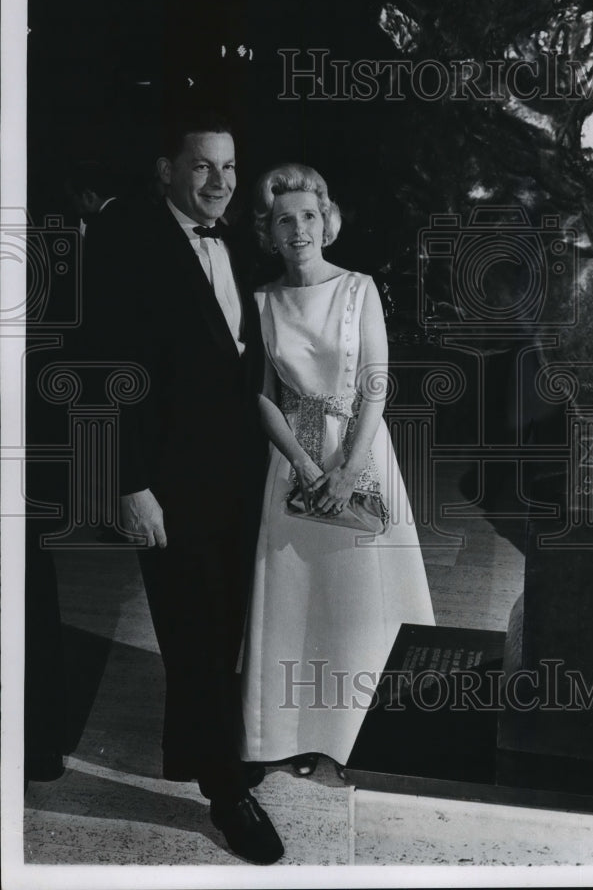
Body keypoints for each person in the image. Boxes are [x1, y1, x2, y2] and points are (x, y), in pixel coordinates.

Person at [84, 111, 284, 865]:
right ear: (165, 169)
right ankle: (225, 792)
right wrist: (128, 486)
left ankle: (207, 750)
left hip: (240, 473)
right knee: (192, 630)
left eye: (229, 169)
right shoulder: (122, 237)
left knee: (226, 621)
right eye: (202, 167)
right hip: (166, 481)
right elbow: (104, 374)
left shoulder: (233, 237)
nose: (219, 183)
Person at [239, 164, 435, 777]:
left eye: (308, 216)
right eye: (283, 219)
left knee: (358, 602)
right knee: (297, 601)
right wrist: (299, 463)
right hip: (290, 460)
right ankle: (292, 736)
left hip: (360, 452)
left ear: (327, 222)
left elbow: (376, 384)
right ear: (268, 233)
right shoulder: (264, 300)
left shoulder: (358, 288)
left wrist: (348, 469)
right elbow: (262, 394)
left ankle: (358, 738)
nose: (298, 228)